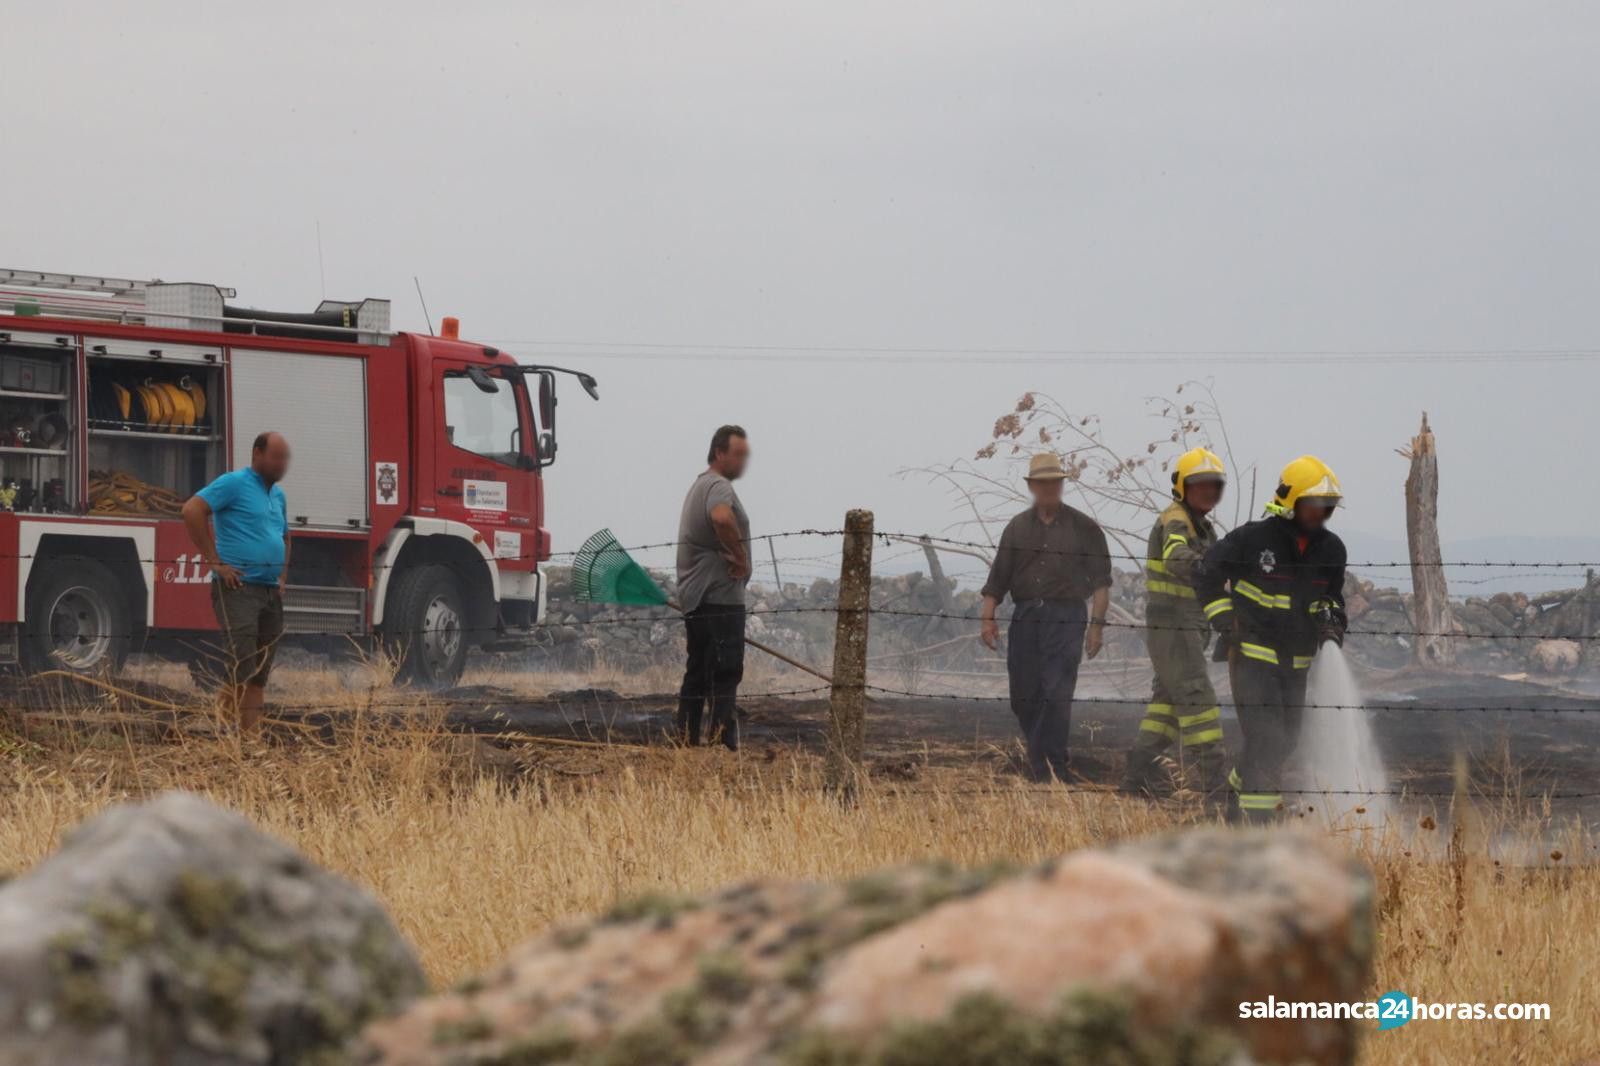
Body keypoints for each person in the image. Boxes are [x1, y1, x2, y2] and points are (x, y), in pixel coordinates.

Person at [1197, 455, 1347, 823]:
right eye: (1314, 506)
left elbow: (1332, 597)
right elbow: (1205, 574)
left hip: (1296, 662)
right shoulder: (1253, 539)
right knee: (1267, 738)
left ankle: (1235, 788)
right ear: (1289, 501)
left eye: (1327, 508)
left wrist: (1330, 621)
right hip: (1251, 655)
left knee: (1287, 741)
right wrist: (1222, 617)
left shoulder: (1331, 550)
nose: (1321, 515)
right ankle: (1258, 825)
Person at [980, 452, 1112, 781]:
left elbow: (1101, 584)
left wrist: (1095, 628)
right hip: (1026, 616)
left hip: (1067, 617)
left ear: (1061, 484)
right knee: (1024, 695)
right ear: (1032, 486)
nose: (1048, 487)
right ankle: (1046, 757)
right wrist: (987, 618)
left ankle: (1048, 767)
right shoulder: (1017, 528)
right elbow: (997, 579)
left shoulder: (1084, 528)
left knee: (1056, 692)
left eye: (1053, 482)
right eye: (1042, 482)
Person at [1122, 447, 1230, 804]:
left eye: (1215, 486)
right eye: (1201, 485)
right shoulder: (1177, 519)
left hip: (1186, 623)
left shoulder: (1201, 523)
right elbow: (1175, 556)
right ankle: (1215, 780)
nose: (1210, 492)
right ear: (1182, 486)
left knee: (1167, 703)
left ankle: (1139, 771)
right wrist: (1211, 566)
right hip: (1174, 622)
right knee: (1197, 697)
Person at [181, 431, 292, 734]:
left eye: (285, 458)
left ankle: (251, 740)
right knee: (242, 664)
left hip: (269, 592)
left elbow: (284, 535)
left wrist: (281, 576)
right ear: (257, 454)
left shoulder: (278, 496)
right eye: (276, 457)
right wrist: (215, 562)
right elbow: (192, 510)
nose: (282, 464)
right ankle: (223, 726)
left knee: (259, 673)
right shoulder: (234, 483)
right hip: (238, 589)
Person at [675, 425, 752, 750]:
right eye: (737, 454)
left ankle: (685, 740)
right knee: (725, 672)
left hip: (696, 597)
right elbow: (721, 518)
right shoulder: (718, 486)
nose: (742, 462)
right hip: (720, 598)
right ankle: (722, 744)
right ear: (719, 453)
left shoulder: (699, 485)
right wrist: (740, 557)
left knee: (698, 672)